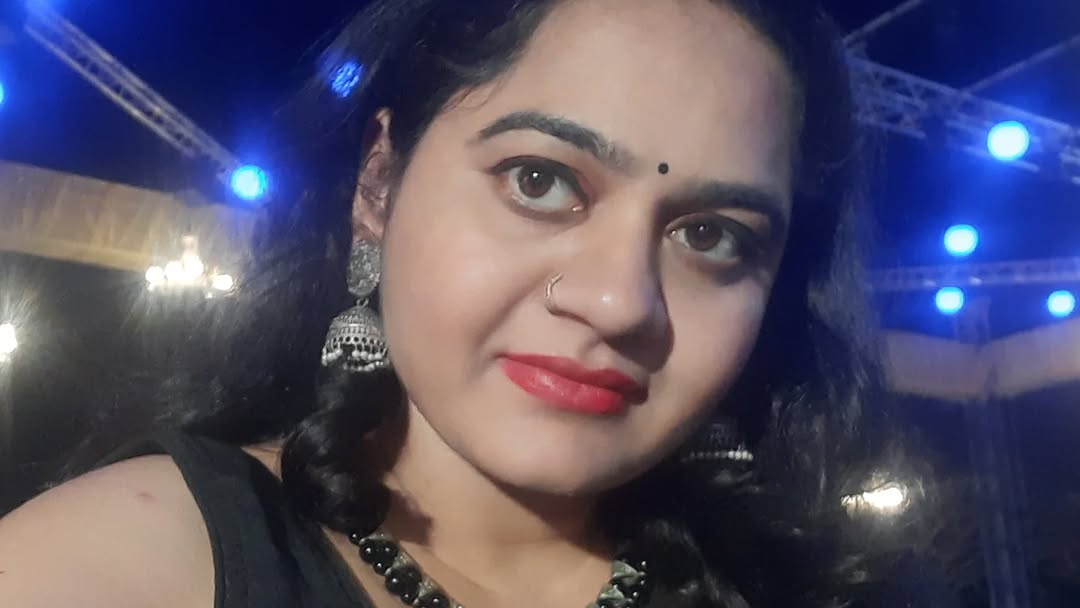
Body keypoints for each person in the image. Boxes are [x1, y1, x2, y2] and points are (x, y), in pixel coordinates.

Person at [0, 0, 891, 606]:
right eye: (539, 181)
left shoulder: (816, 584)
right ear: (378, 183)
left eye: (711, 236)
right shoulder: (125, 566)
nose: (619, 301)